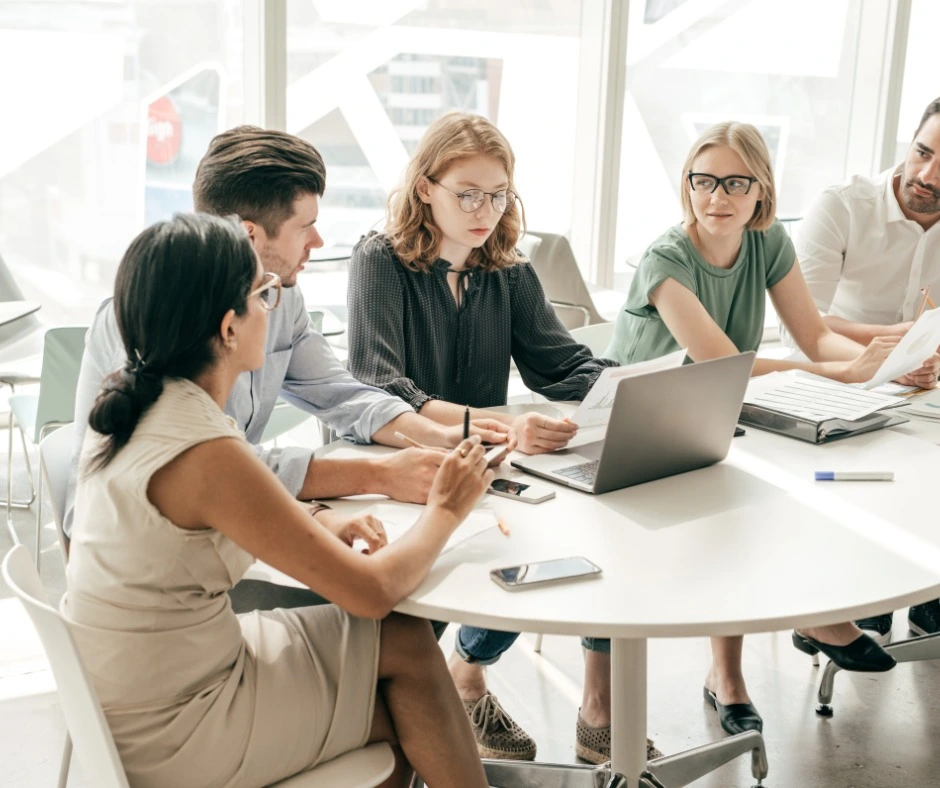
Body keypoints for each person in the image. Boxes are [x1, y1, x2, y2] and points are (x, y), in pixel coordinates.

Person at [63, 212, 492, 788]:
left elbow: (204, 522)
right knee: (404, 662)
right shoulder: (206, 446)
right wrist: (447, 508)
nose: (276, 306)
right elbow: (372, 593)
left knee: (405, 675)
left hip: (134, 692)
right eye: (265, 294)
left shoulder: (139, 406)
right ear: (229, 328)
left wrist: (312, 520)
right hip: (178, 725)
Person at [604, 121, 924, 737]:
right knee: (749, 500)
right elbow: (727, 363)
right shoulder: (666, 260)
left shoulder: (767, 240)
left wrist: (871, 367)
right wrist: (846, 373)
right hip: (636, 423)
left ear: (761, 191)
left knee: (811, 476)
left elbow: (813, 335)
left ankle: (735, 667)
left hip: (716, 411)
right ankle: (806, 619)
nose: (716, 197)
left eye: (734, 183)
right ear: (687, 186)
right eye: (703, 181)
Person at [64, 126, 511, 559]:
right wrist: (374, 477)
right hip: (159, 550)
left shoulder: (281, 297)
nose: (317, 241)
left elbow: (339, 392)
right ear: (248, 234)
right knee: (380, 597)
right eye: (306, 226)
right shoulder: (155, 318)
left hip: (228, 520)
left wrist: (438, 436)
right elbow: (216, 467)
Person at [347, 111, 633, 764]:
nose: (484, 211)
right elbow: (381, 390)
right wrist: (501, 427)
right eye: (467, 193)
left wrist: (635, 392)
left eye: (498, 194)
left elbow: (563, 363)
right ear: (425, 188)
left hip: (487, 466)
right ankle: (457, 681)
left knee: (585, 532)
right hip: (397, 469)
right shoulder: (379, 261)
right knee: (492, 556)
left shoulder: (506, 269)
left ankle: (485, 676)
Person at [793, 96, 940, 642]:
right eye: (922, 151)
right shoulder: (843, 205)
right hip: (838, 382)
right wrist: (892, 346)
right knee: (881, 471)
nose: (924, 176)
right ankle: (854, 597)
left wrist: (926, 359)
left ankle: (925, 593)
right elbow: (803, 323)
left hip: (924, 393)